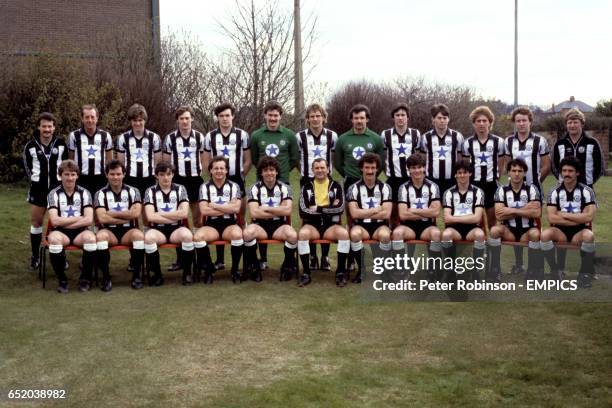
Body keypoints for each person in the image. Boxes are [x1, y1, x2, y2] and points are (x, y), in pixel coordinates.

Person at [203, 103, 251, 271]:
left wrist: (241, 176)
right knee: (217, 217)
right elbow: (206, 159)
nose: (224, 118)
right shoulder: (210, 136)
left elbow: (247, 159)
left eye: (227, 115)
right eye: (221, 116)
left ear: (233, 116)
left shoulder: (242, 135)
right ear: (217, 118)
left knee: (238, 217)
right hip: (216, 178)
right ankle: (220, 259)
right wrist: (213, 174)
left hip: (236, 178)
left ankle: (245, 260)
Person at [250, 101, 298, 269]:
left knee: (281, 218)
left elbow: (294, 158)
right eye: (269, 115)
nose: (272, 118)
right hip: (262, 181)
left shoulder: (290, 135)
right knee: (260, 219)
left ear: (280, 117)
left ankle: (289, 262)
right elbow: (256, 159)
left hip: (282, 180)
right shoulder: (256, 135)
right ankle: (262, 259)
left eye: (275, 115)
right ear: (265, 116)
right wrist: (266, 173)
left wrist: (280, 172)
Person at [504, 106, 551, 276]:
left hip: (534, 191)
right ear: (514, 123)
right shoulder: (509, 141)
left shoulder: (540, 141)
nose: (521, 123)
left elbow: (547, 164)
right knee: (515, 223)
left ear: (530, 121)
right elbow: (508, 165)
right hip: (514, 190)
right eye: (518, 121)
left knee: (534, 227)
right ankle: (518, 264)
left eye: (524, 120)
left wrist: (537, 181)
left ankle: (534, 266)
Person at [541, 157, 597, 288]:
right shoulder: (554, 191)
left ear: (577, 173)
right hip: (560, 232)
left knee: (589, 236)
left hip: (580, 232)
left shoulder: (587, 191)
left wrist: (564, 214)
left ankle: (584, 274)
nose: (566, 174)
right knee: (544, 235)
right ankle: (555, 271)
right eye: (564, 170)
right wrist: (578, 217)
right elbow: (552, 218)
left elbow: (589, 217)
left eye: (570, 171)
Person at [295, 103, 338, 272]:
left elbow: (335, 157)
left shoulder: (332, 136)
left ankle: (325, 257)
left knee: (327, 214)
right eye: (311, 116)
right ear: (307, 119)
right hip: (307, 180)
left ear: (323, 118)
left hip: (327, 180)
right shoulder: (300, 137)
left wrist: (326, 172)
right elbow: (296, 159)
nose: (315, 119)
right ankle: (312, 256)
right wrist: (306, 172)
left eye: (318, 115)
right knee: (310, 216)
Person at [23, 112, 68, 269]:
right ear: (39, 127)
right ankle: (35, 256)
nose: (47, 129)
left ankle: (62, 255)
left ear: (54, 127)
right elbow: (28, 168)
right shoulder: (30, 146)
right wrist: (37, 181)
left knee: (60, 223)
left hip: (58, 190)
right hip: (38, 191)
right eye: (44, 126)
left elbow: (67, 165)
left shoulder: (62, 144)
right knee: (36, 222)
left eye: (50, 126)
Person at [162, 105, 205, 271]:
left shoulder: (199, 137)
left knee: (197, 219)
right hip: (177, 180)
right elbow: (166, 162)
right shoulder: (170, 138)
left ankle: (199, 257)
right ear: (177, 120)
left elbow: (205, 160)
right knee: (179, 219)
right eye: (181, 119)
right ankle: (182, 258)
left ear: (192, 119)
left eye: (187, 118)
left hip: (195, 179)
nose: (185, 121)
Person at [243, 157, 298, 282]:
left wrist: (266, 208)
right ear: (261, 173)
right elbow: (254, 212)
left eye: (272, 170)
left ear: (277, 172)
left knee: (293, 236)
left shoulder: (285, 188)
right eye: (266, 170)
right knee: (247, 233)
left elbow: (287, 210)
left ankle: (287, 266)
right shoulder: (254, 188)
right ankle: (255, 266)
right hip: (259, 225)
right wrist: (278, 210)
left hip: (280, 225)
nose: (269, 173)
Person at [94, 160, 145, 291]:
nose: (115, 177)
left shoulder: (134, 191)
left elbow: (136, 213)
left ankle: (136, 276)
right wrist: (125, 216)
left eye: (118, 174)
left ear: (124, 174)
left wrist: (112, 214)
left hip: (129, 231)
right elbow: (101, 217)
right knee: (100, 237)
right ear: (106, 175)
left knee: (139, 236)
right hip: (108, 231)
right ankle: (106, 278)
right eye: (112, 174)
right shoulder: (100, 193)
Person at [46, 160, 96, 294]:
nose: (70, 178)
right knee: (54, 241)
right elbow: (55, 221)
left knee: (91, 239)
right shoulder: (53, 194)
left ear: (77, 176)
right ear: (60, 175)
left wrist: (67, 221)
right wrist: (79, 218)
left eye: (73, 174)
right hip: (60, 232)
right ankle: (62, 280)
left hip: (80, 233)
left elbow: (89, 220)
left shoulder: (85, 193)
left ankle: (85, 279)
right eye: (66, 174)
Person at [297, 158, 349, 287]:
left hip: (330, 226)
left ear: (328, 169)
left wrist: (318, 208)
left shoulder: (337, 186)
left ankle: (340, 272)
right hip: (312, 225)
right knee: (302, 235)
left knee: (344, 235)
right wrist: (329, 208)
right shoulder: (306, 187)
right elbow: (303, 211)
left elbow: (340, 208)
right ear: (312, 170)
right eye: (317, 168)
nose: (320, 170)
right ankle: (306, 273)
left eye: (322, 168)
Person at [489, 159, 541, 282]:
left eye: (520, 171)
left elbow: (537, 213)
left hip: (527, 231)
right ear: (508, 173)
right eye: (513, 171)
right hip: (509, 231)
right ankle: (495, 269)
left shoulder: (532, 189)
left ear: (524, 173)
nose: (516, 174)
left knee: (536, 234)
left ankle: (532, 270)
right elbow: (499, 215)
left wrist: (510, 210)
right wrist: (525, 209)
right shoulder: (501, 190)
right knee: (495, 230)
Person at [143, 162, 195, 286]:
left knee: (187, 236)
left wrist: (160, 215)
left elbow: (183, 214)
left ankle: (187, 273)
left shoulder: (180, 189)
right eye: (162, 175)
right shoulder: (150, 191)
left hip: (176, 229)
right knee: (149, 238)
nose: (165, 178)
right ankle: (157, 274)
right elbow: (150, 216)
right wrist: (173, 215)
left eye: (168, 174)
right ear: (156, 176)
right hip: (157, 230)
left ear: (173, 175)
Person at [391, 154, 442, 281]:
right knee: (397, 233)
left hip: (427, 227)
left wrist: (413, 210)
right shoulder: (403, 188)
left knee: (436, 234)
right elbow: (402, 214)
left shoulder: (433, 186)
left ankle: (433, 270)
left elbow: (436, 212)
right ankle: (401, 269)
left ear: (424, 168)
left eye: (419, 167)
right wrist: (426, 211)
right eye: (413, 168)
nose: (417, 170)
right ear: (409, 170)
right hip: (409, 227)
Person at [193, 156, 244, 284]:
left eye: (222, 168)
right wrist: (228, 207)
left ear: (227, 170)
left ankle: (234, 269)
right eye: (215, 168)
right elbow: (204, 210)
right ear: (210, 170)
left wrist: (214, 205)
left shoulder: (234, 186)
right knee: (198, 237)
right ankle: (209, 268)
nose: (219, 171)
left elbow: (236, 209)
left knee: (237, 235)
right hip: (211, 225)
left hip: (229, 224)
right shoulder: (204, 187)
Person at [347, 153, 392, 284]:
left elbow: (386, 214)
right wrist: (374, 210)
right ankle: (361, 270)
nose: (370, 171)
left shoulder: (385, 188)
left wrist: (363, 212)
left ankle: (383, 270)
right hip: (361, 226)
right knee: (354, 234)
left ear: (377, 169)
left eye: (373, 168)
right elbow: (354, 214)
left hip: (380, 226)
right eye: (367, 167)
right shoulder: (353, 188)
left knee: (385, 235)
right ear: (361, 168)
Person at [441, 160, 486, 282]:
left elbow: (477, 218)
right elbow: (447, 218)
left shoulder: (478, 192)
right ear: (455, 175)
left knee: (480, 235)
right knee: (446, 234)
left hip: (472, 229)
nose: (462, 175)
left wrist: (455, 219)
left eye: (464, 172)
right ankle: (451, 268)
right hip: (454, 229)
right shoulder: (448, 193)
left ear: (470, 173)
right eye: (459, 173)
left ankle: (476, 270)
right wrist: (468, 217)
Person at [462, 106, 506, 227]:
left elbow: (501, 164)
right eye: (478, 121)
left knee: (492, 221)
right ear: (474, 124)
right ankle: (480, 245)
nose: (481, 124)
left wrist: (496, 178)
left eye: (484, 121)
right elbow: (466, 166)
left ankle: (492, 245)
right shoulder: (467, 143)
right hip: (474, 185)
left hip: (492, 185)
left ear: (490, 123)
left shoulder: (499, 142)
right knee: (476, 222)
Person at [115, 103, 162, 198]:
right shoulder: (123, 138)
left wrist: (157, 179)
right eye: (134, 120)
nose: (137, 123)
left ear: (145, 120)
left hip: (149, 179)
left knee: (148, 210)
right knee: (132, 210)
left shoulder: (154, 138)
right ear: (130, 121)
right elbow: (121, 163)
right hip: (129, 179)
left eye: (140, 120)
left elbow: (158, 163)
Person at [334, 104, 385, 192]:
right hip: (350, 181)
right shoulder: (342, 139)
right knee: (350, 205)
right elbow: (338, 164)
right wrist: (348, 175)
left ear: (367, 119)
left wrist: (371, 175)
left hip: (370, 181)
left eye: (362, 118)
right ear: (352, 120)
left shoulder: (376, 138)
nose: (359, 121)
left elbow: (381, 163)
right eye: (356, 118)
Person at [68, 104, 114, 195]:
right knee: (83, 207)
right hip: (81, 178)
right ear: (82, 119)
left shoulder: (105, 136)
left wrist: (110, 177)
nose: (90, 120)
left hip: (100, 179)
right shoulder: (74, 135)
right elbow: (71, 160)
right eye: (87, 117)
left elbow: (109, 160)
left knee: (99, 207)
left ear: (97, 118)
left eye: (92, 117)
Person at [419, 103, 464, 196]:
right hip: (431, 180)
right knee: (432, 209)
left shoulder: (457, 136)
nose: (442, 121)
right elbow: (422, 160)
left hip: (452, 180)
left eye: (445, 118)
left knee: (452, 209)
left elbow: (460, 159)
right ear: (433, 119)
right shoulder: (426, 137)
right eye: (439, 118)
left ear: (448, 119)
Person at [552, 108, 603, 188]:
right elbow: (554, 167)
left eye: (575, 122)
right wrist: (565, 180)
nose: (572, 125)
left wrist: (589, 181)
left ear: (582, 124)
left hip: (586, 188)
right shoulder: (559, 144)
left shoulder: (592, 143)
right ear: (566, 124)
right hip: (564, 189)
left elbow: (599, 168)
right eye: (569, 122)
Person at [381, 102, 421, 200]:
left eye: (403, 115)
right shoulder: (385, 134)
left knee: (411, 207)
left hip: (411, 178)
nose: (400, 118)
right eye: (397, 115)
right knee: (393, 211)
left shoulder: (415, 134)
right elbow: (383, 156)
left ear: (407, 118)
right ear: (393, 118)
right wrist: (386, 172)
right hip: (393, 179)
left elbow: (419, 156)